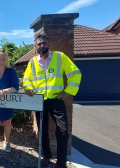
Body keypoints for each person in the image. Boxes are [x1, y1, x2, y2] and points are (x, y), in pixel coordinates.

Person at [23, 34, 82, 168]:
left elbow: (75, 73)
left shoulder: (59, 57)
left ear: (48, 44)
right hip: (39, 101)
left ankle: (61, 163)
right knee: (42, 131)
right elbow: (27, 79)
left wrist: (67, 92)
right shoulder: (32, 61)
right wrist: (29, 88)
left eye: (44, 43)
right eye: (39, 44)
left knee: (63, 130)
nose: (41, 46)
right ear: (35, 46)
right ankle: (47, 156)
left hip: (56, 99)